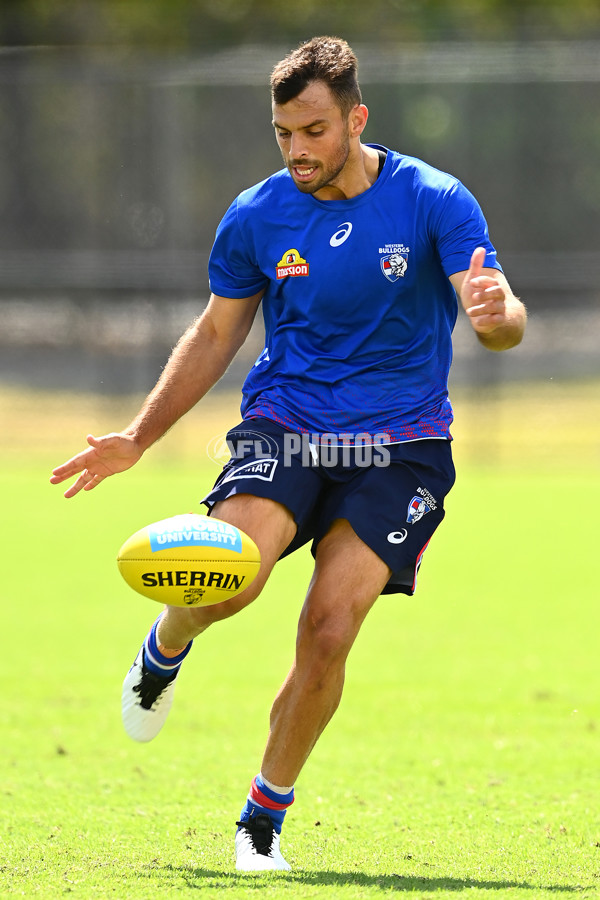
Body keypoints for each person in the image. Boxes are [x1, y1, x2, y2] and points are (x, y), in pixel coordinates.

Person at [50, 36, 527, 872]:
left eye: (314, 129)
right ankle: (165, 647)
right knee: (229, 577)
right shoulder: (258, 214)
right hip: (289, 426)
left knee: (329, 628)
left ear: (355, 118)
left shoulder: (434, 200)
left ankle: (260, 821)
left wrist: (497, 315)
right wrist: (137, 435)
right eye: (284, 133)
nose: (299, 149)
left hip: (404, 448)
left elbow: (496, 318)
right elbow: (213, 335)